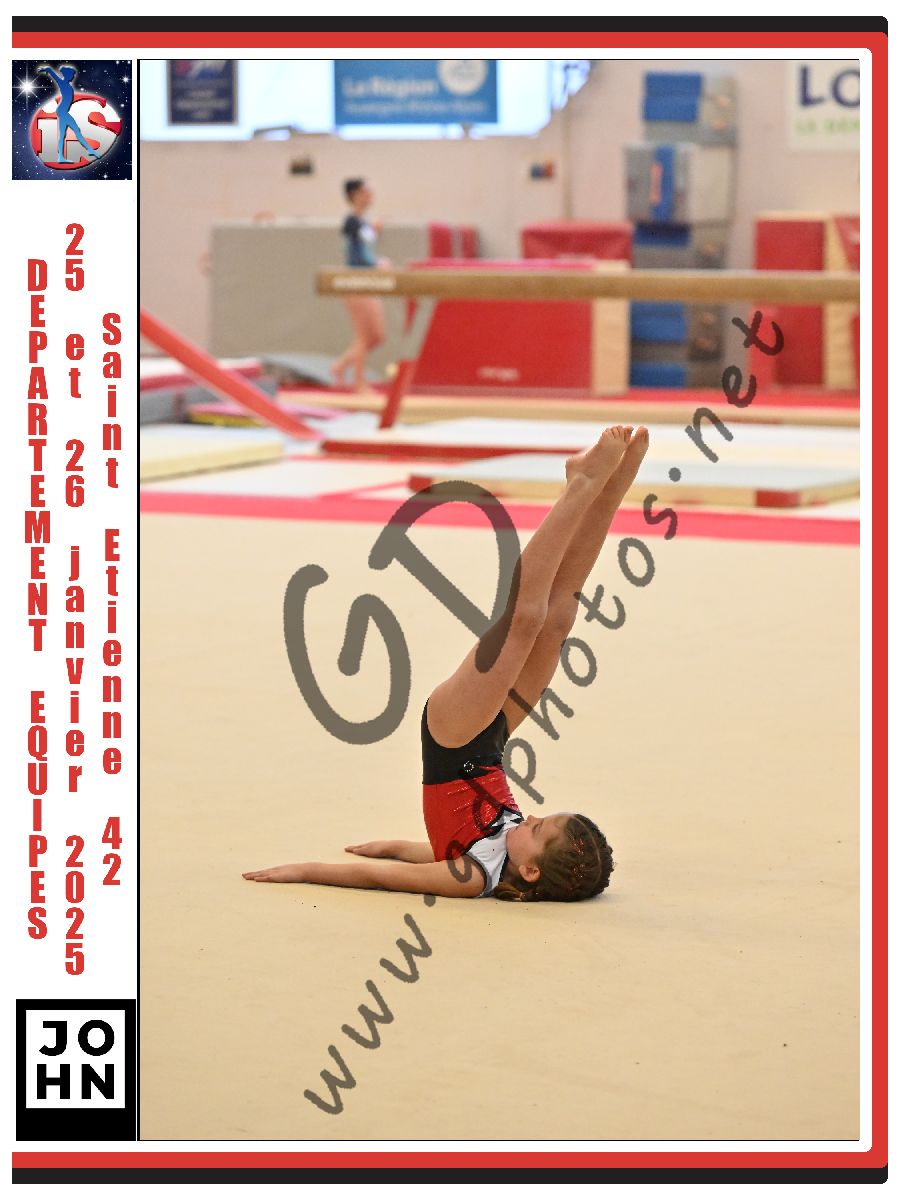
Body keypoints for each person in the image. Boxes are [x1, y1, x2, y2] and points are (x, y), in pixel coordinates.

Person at [244, 425, 650, 901]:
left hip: (454, 735)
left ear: (530, 871)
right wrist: (395, 846)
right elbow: (445, 846)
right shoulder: (500, 855)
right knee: (558, 617)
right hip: (491, 739)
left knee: (523, 621)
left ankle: (580, 485)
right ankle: (612, 487)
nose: (533, 816)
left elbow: (384, 880)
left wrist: (306, 870)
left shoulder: (471, 878)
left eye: (539, 828)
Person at [330, 178, 387, 393]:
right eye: (365, 191)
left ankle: (339, 367)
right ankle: (359, 383)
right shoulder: (351, 222)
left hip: (367, 279)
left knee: (377, 336)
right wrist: (377, 264)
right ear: (354, 195)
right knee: (364, 336)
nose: (370, 195)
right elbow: (359, 255)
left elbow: (366, 247)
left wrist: (374, 233)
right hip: (356, 280)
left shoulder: (363, 222)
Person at [36, 65, 101, 163]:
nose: (73, 76)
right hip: (62, 111)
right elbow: (54, 75)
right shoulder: (62, 83)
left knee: (63, 134)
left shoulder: (67, 85)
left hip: (63, 111)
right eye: (72, 74)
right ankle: (89, 150)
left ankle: (61, 157)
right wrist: (46, 69)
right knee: (76, 130)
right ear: (67, 74)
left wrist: (47, 69)